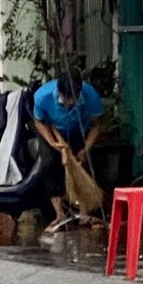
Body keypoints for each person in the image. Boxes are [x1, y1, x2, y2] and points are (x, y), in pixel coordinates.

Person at [31, 62, 104, 234]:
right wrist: (52, 143)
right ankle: (59, 214)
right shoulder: (43, 96)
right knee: (48, 164)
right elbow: (39, 121)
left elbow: (95, 126)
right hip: (52, 130)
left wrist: (85, 148)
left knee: (84, 165)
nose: (69, 103)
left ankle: (84, 213)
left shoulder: (91, 96)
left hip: (79, 130)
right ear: (59, 92)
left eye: (73, 99)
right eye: (66, 98)